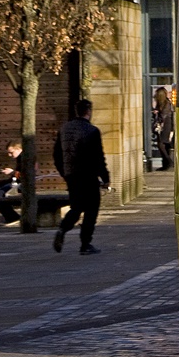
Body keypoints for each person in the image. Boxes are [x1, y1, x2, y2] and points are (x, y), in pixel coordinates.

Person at [53, 99, 111, 255]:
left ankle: (63, 229)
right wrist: (105, 177)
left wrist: (64, 172)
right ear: (89, 111)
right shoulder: (92, 131)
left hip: (72, 175)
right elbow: (98, 157)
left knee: (77, 207)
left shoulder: (64, 129)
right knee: (92, 210)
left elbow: (57, 155)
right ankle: (85, 244)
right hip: (88, 175)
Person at [0, 140, 24, 225]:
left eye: (11, 152)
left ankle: (13, 217)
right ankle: (11, 217)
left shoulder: (26, 158)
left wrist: (12, 172)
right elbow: (15, 177)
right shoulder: (20, 158)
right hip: (17, 184)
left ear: (18, 149)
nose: (9, 155)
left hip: (22, 185)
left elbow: (27, 176)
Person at [152, 86, 175, 171]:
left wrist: (158, 115)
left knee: (161, 144)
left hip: (166, 125)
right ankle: (165, 164)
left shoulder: (166, 103)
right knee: (164, 145)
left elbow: (164, 115)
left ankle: (169, 161)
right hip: (163, 125)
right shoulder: (160, 104)